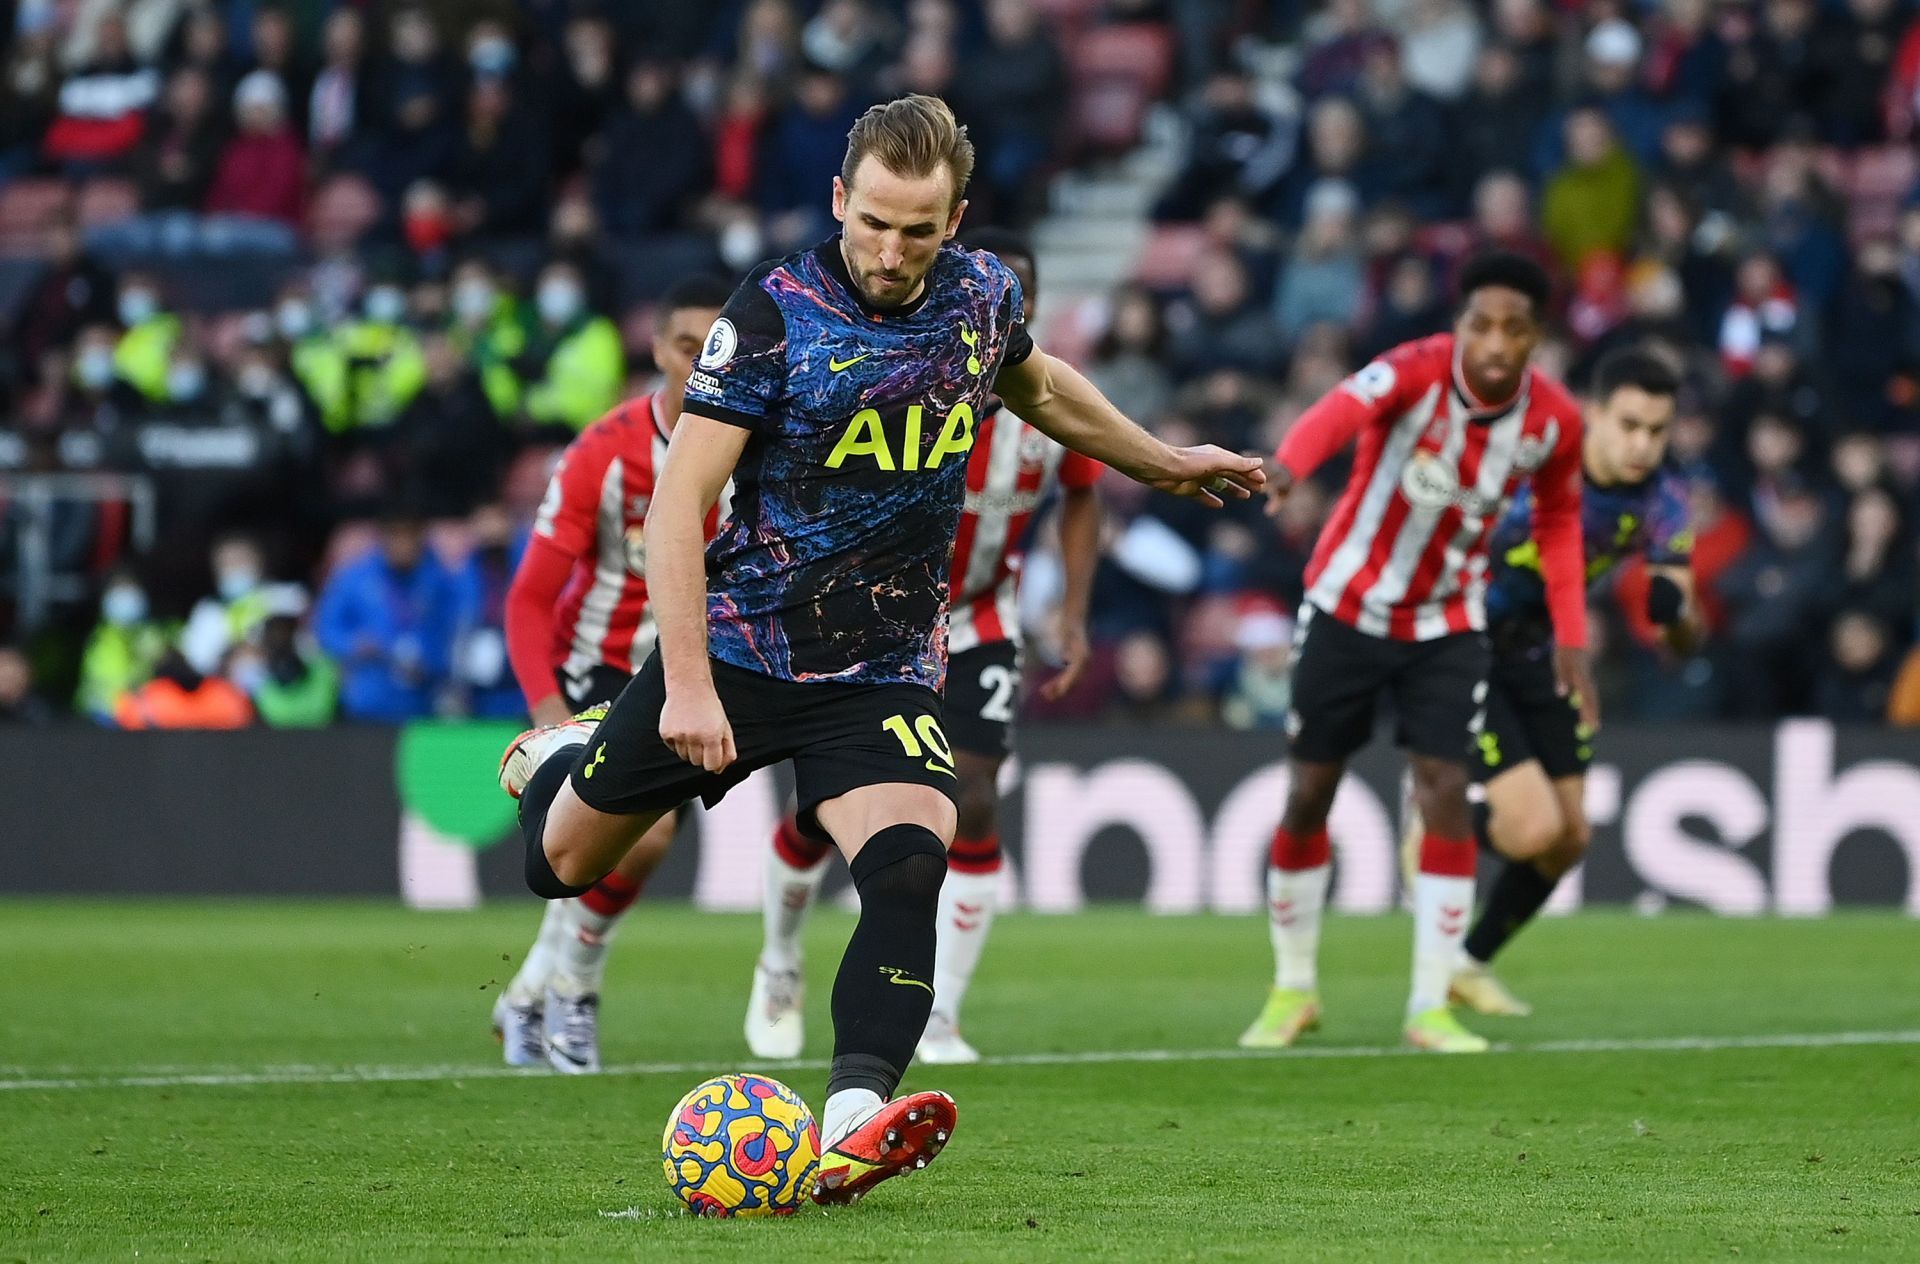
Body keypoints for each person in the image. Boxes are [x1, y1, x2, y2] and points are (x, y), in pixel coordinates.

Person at [494, 95, 1260, 1203]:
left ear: (956, 220)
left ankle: (855, 1114)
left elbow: (1037, 387)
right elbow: (677, 506)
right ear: (840, 199)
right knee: (559, 864)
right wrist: (691, 689)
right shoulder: (771, 316)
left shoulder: (985, 296)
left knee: (909, 863)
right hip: (746, 646)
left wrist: (1162, 460)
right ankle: (559, 758)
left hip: (885, 661)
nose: (894, 253)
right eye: (876, 224)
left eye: (920, 228)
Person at [742, 227, 1103, 1067]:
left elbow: (1085, 497)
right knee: (829, 815)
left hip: (977, 617)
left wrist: (1074, 608)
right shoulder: (904, 380)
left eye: (1019, 302)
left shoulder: (1048, 408)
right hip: (872, 621)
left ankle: (940, 1016)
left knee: (972, 797)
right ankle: (779, 962)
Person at [1239, 251, 1593, 1056]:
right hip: (1347, 606)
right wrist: (1291, 464)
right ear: (1459, 324)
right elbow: (1335, 410)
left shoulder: (1554, 424)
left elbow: (1560, 523)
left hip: (1446, 624)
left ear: (1537, 336)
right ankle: (1292, 988)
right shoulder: (1414, 370)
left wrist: (1573, 633)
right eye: (1482, 324)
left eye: (1515, 328)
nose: (1496, 342)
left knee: (1444, 788)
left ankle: (1430, 1005)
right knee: (1309, 793)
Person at [488, 275, 731, 1073]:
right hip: (602, 666)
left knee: (626, 845)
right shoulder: (603, 453)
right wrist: (550, 710)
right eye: (686, 347)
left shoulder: (756, 447)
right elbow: (528, 598)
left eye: (714, 347)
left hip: (700, 671)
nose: (700, 364)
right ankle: (576, 993)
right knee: (644, 828)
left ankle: (529, 993)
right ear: (659, 349)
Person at [1438, 347, 1696, 1016]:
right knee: (1529, 831)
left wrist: (1676, 617)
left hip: (1546, 653)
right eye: (1630, 425)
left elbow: (1680, 617)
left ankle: (1467, 965)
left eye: (1657, 431)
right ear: (1595, 414)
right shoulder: (1533, 456)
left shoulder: (1666, 499)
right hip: (1464, 641)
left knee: (1570, 838)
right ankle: (1439, 821)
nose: (1643, 445)